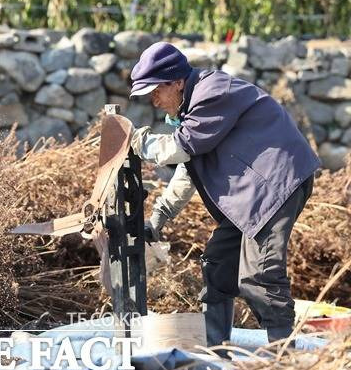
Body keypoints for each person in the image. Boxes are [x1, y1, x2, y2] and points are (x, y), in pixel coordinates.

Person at [128, 42, 320, 348]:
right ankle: (216, 352)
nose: (152, 99)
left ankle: (283, 360)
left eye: (155, 90)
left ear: (177, 81)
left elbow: (179, 149)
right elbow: (186, 167)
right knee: (218, 264)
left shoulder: (211, 92)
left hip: (275, 183)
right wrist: (159, 216)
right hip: (249, 194)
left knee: (260, 275)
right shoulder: (187, 110)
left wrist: (138, 143)